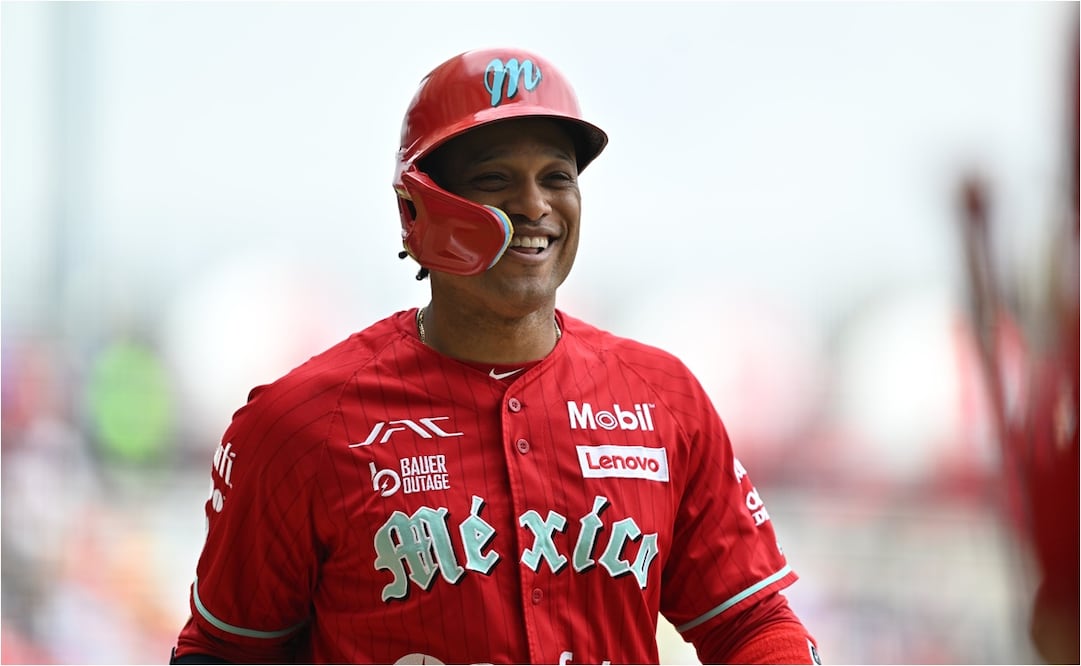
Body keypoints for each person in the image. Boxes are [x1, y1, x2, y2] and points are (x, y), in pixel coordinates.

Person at [170, 47, 821, 665]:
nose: (535, 206)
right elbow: (225, 652)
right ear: (415, 208)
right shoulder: (301, 425)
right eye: (494, 179)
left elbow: (751, 623)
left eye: (556, 177)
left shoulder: (662, 400)